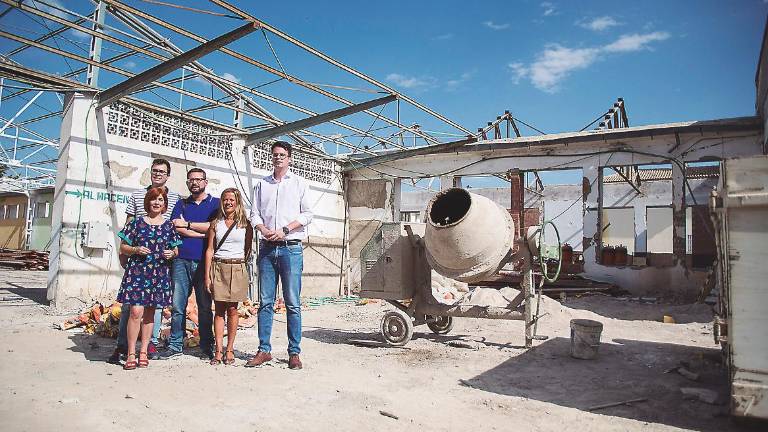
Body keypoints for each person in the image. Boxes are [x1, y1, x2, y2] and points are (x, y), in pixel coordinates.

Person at [246, 141, 313, 370]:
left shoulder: (299, 184)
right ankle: (264, 349)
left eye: (282, 155)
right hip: (266, 248)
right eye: (275, 155)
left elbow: (308, 214)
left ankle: (294, 352)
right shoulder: (262, 185)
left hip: (290, 248)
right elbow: (254, 214)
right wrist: (263, 230)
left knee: (292, 303)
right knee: (265, 302)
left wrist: (285, 229)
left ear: (290, 158)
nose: (278, 158)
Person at [109, 158, 181, 364]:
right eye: (155, 170)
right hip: (138, 268)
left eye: (162, 171)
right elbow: (127, 227)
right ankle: (124, 347)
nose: (158, 174)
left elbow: (175, 239)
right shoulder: (137, 197)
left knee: (153, 311)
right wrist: (127, 253)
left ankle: (147, 347)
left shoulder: (174, 200)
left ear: (168, 175)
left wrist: (172, 253)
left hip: (158, 269)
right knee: (132, 310)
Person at [158, 168, 220, 360]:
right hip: (181, 260)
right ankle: (176, 344)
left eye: (198, 180)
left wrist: (188, 225)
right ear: (187, 183)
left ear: (205, 182)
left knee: (204, 306)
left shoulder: (216, 204)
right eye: (191, 180)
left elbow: (216, 228)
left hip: (205, 261)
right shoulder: (181, 204)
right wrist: (204, 233)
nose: (194, 183)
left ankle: (206, 345)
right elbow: (175, 226)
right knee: (178, 305)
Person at [204, 188, 253, 365]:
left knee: (233, 310)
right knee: (218, 310)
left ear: (238, 201)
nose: (228, 202)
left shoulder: (246, 224)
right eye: (225, 199)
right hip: (219, 267)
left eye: (232, 199)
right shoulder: (215, 223)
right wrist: (207, 276)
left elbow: (247, 249)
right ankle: (218, 350)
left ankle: (230, 349)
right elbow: (209, 250)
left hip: (237, 267)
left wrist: (241, 267)